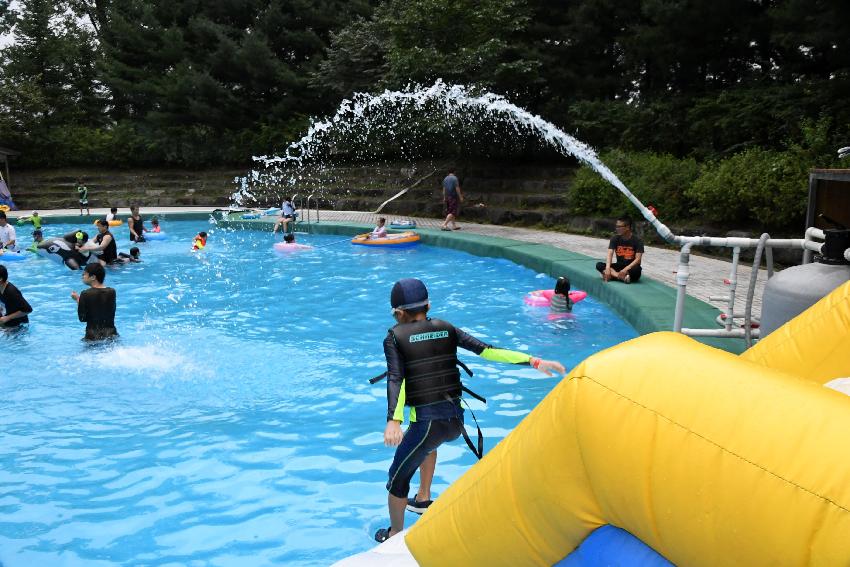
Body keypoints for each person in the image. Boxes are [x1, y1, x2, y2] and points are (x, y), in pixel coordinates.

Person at [374, 278, 566, 543]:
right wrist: (533, 361)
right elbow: (486, 351)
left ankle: (395, 533)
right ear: (428, 305)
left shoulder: (394, 337)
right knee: (426, 442)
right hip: (456, 421)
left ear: (398, 312)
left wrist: (393, 420)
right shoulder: (447, 328)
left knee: (396, 477)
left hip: (429, 424)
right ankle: (423, 498)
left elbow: (397, 377)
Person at [71, 263, 118, 341]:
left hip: (92, 337)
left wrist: (77, 299)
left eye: (84, 274)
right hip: (111, 334)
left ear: (93, 277)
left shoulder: (85, 293)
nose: (82, 276)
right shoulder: (112, 292)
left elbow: (82, 318)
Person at [596, 216, 644, 284]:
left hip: (630, 267)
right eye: (616, 226)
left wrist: (625, 269)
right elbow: (610, 254)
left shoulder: (638, 240)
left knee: (637, 270)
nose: (617, 229)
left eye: (619, 227)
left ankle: (611, 275)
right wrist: (607, 268)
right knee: (599, 265)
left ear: (627, 227)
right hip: (619, 266)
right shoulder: (615, 238)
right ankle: (622, 277)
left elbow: (638, 259)